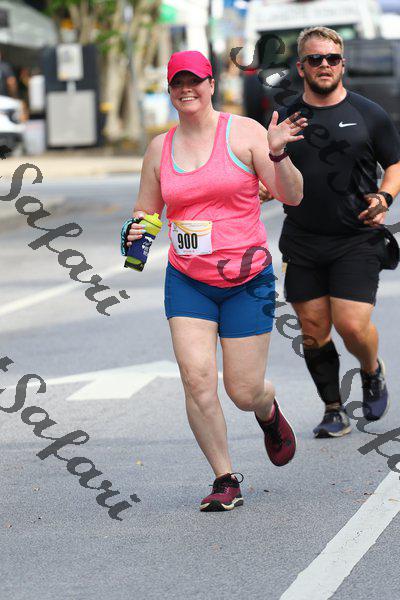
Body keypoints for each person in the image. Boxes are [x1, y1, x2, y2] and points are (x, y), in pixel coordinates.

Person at [125, 50, 307, 511]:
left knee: (242, 391)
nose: (187, 90)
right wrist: (136, 234)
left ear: (211, 84)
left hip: (247, 279)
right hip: (188, 280)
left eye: (195, 81)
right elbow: (147, 210)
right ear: (170, 90)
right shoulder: (159, 148)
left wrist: (278, 153)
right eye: (178, 83)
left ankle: (267, 409)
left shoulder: (245, 133)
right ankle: (225, 478)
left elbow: (292, 195)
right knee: (197, 379)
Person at [265, 27, 400, 438]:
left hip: (356, 237)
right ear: (301, 67)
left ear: (342, 64)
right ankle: (333, 409)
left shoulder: (368, 113)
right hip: (303, 238)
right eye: (315, 59)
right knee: (312, 330)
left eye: (332, 58)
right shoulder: (285, 117)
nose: (324, 65)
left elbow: (394, 164)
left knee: (352, 325)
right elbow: (266, 167)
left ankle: (371, 369)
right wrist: (265, 181)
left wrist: (384, 197)